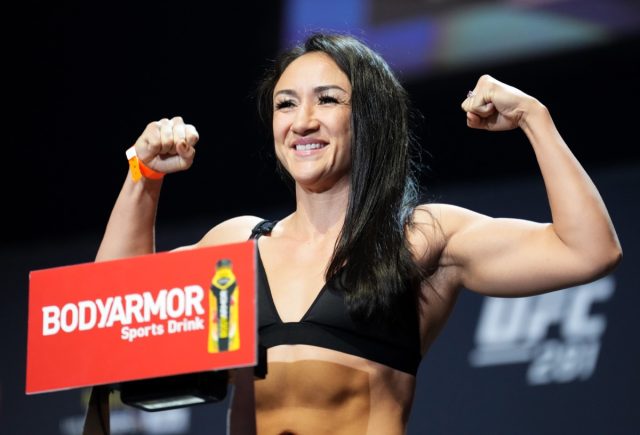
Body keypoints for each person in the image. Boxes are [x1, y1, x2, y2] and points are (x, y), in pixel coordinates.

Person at [84, 32, 622, 435]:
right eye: (286, 103)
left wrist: (535, 118)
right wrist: (143, 176)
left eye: (328, 100)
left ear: (369, 117)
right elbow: (107, 322)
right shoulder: (238, 245)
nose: (303, 121)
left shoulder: (419, 238)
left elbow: (588, 250)